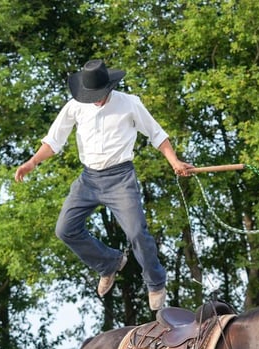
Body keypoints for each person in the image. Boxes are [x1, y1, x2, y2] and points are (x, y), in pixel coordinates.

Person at [14, 59, 193, 311]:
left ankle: (155, 283)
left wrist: (174, 161)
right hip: (88, 179)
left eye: (98, 96)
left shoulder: (130, 103)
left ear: (109, 88)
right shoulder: (75, 105)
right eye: (91, 97)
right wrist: (32, 162)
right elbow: (54, 141)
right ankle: (109, 263)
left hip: (120, 178)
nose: (95, 101)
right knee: (65, 229)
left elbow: (157, 134)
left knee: (136, 233)